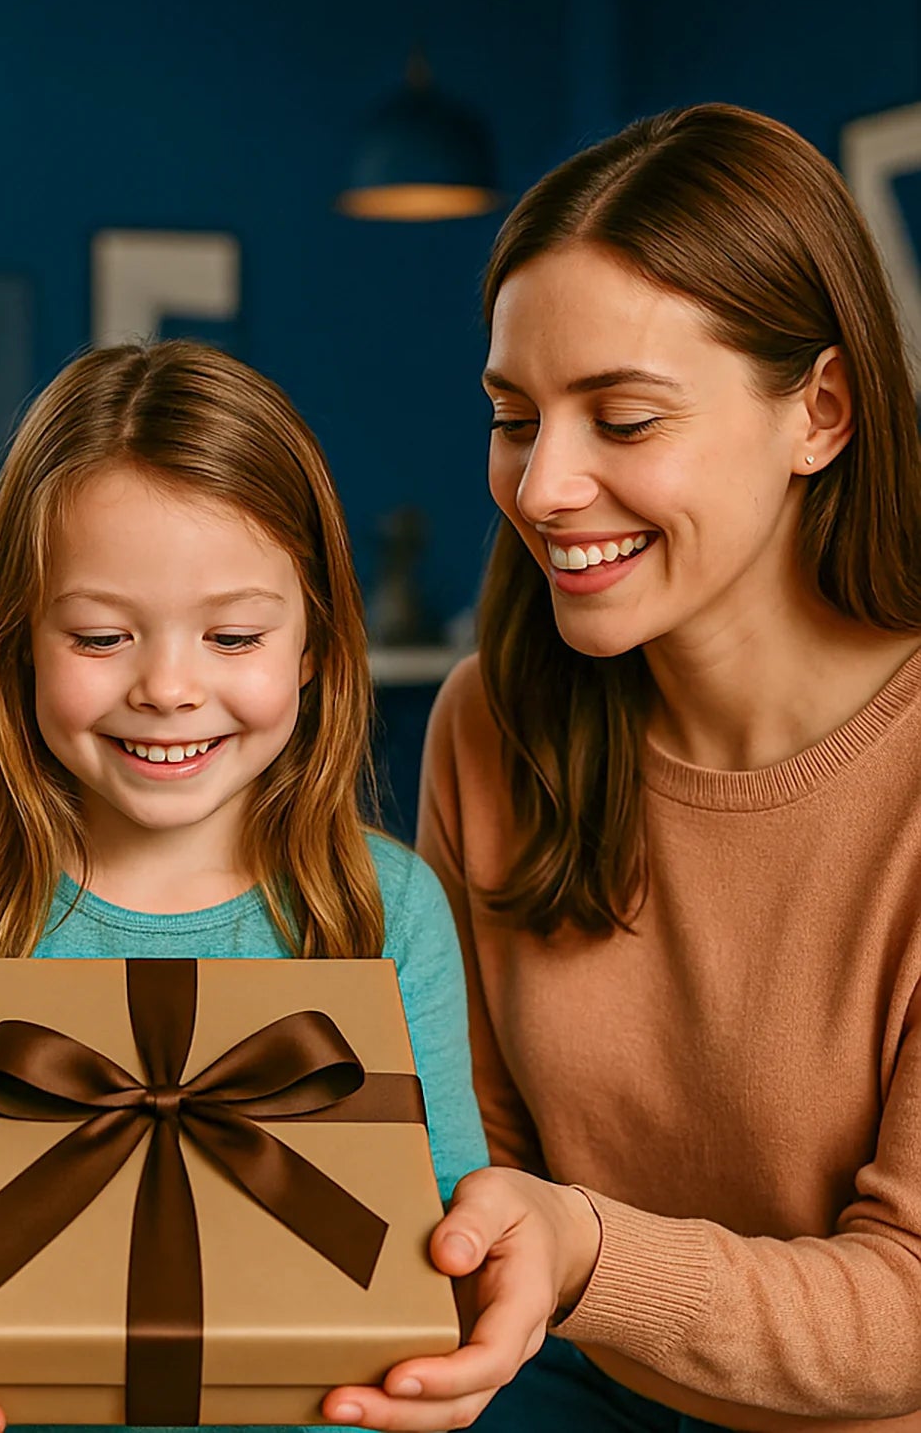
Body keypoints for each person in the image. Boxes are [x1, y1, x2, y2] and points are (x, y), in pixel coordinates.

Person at [0, 339, 491, 1433]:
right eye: (104, 635)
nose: (168, 687)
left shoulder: (388, 911)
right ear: (20, 641)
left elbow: (447, 1243)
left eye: (235, 635)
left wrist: (460, 1343)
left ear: (312, 644)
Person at [390, 103, 921, 1432]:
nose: (544, 487)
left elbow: (909, 1310)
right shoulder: (488, 726)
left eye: (624, 421)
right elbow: (475, 1174)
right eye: (516, 417)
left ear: (822, 411)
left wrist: (581, 1251)